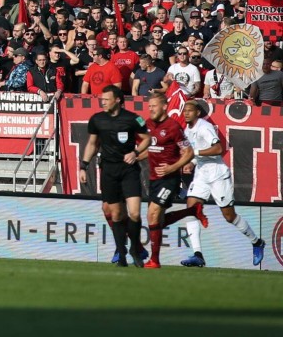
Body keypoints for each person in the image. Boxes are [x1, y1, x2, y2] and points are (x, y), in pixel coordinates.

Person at [161, 101, 266, 268]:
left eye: (190, 110)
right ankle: (198, 255)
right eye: (184, 110)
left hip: (218, 175)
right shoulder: (188, 131)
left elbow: (218, 149)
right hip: (202, 174)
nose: (186, 113)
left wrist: (194, 154)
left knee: (229, 217)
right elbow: (196, 152)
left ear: (197, 113)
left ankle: (257, 242)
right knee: (191, 208)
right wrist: (192, 162)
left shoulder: (205, 127)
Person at [79, 85, 151, 266]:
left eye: (106, 99)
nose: (102, 102)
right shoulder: (97, 119)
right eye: (102, 99)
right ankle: (122, 254)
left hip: (129, 170)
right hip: (109, 171)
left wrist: (135, 152)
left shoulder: (134, 119)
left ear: (117, 100)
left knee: (134, 212)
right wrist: (83, 166)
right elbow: (92, 144)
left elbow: (147, 139)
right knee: (117, 214)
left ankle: (135, 247)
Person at [139, 92, 204, 269]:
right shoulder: (148, 124)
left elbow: (188, 152)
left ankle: (154, 260)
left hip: (170, 179)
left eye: (154, 106)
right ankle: (191, 211)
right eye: (149, 106)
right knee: (155, 220)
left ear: (164, 106)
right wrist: (134, 157)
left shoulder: (173, 127)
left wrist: (172, 168)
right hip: (153, 178)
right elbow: (150, 149)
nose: (150, 109)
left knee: (153, 213)